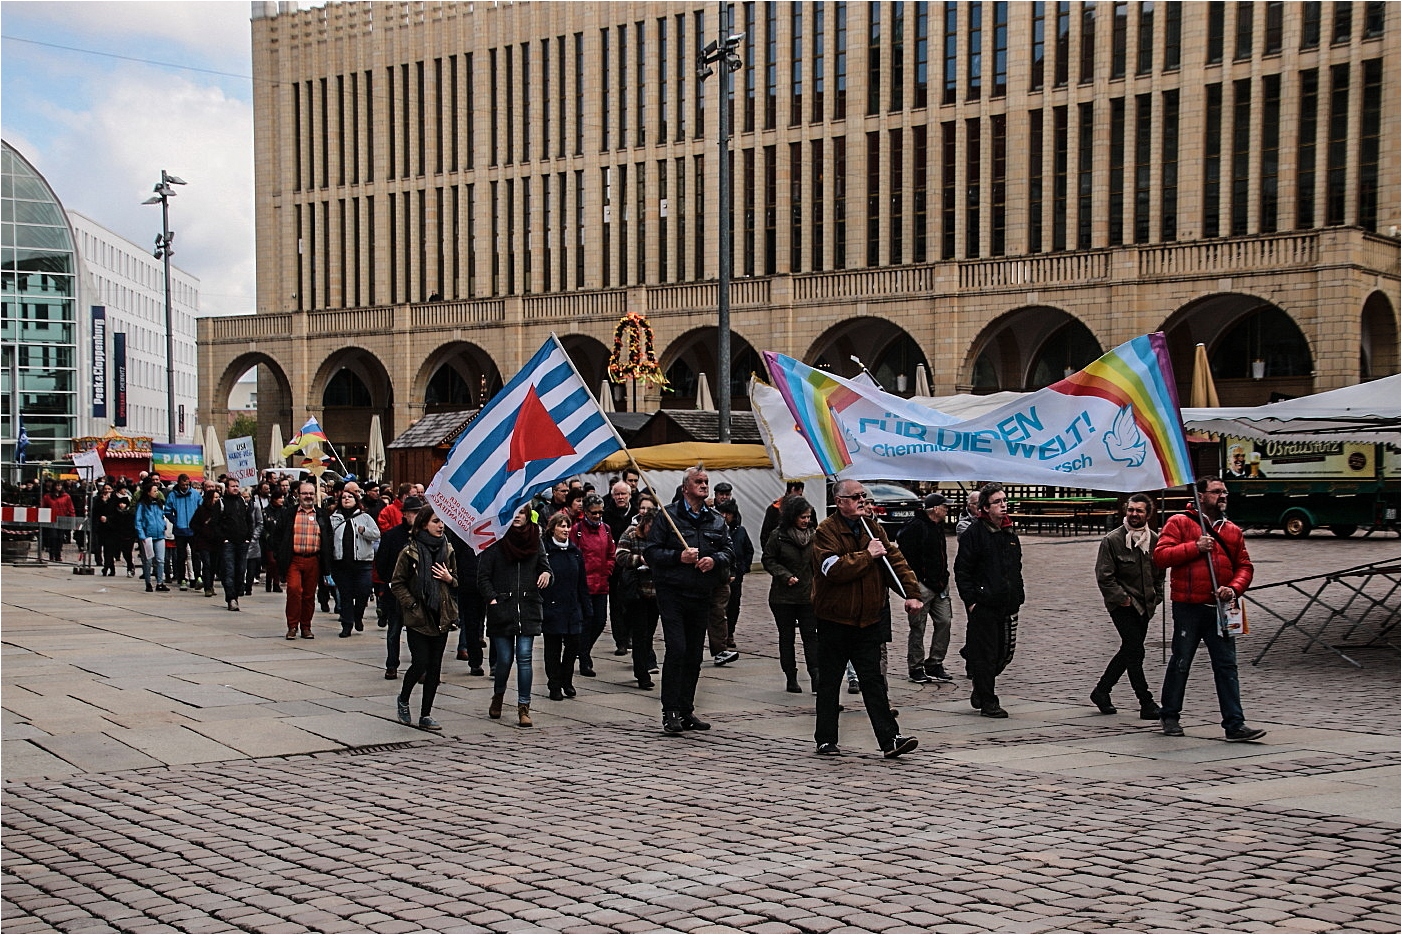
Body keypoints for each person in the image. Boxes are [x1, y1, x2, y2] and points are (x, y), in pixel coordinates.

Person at [811, 479, 921, 758]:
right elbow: (833, 569)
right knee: (830, 681)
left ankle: (890, 740)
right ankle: (825, 738)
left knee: (873, 681)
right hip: (834, 620)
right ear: (840, 502)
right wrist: (866, 555)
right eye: (856, 496)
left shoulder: (873, 528)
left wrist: (911, 593)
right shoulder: (826, 531)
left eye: (864, 496)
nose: (863, 500)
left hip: (868, 620)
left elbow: (894, 562)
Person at [1153, 477, 1266, 742]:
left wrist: (1234, 589)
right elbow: (1161, 556)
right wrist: (1195, 547)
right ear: (1200, 495)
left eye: (1225, 492)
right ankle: (1169, 715)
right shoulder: (1179, 522)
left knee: (1227, 666)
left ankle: (1234, 724)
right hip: (1188, 606)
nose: (1222, 496)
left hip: (1220, 608)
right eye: (1216, 492)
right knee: (1181, 662)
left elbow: (1245, 567)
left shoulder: (1232, 531)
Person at [645, 465, 735, 735]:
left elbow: (728, 550)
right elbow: (651, 552)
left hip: (701, 593)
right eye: (699, 481)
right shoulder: (668, 516)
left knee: (695, 653)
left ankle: (686, 709)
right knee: (678, 648)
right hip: (672, 592)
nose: (704, 486)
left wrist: (714, 560)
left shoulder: (715, 519)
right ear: (686, 487)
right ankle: (669, 709)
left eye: (706, 481)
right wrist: (678, 557)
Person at [1091, 493, 1166, 719]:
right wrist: (1122, 599)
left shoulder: (1154, 540)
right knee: (1135, 650)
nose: (1134, 514)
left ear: (1148, 514)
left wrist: (1157, 597)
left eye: (1139, 511)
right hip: (1122, 606)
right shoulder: (1113, 540)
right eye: (1131, 510)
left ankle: (1101, 691)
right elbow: (1105, 576)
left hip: (1146, 606)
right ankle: (1146, 702)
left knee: (1129, 650)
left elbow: (1160, 574)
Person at [477, 504, 551, 727]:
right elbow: (483, 577)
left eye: (521, 513)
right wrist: (493, 599)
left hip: (528, 607)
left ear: (528, 516)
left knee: (525, 657)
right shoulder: (496, 541)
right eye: (514, 513)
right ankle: (498, 695)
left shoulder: (535, 539)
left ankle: (524, 707)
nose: (517, 517)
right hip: (503, 609)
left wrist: (546, 574)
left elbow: (545, 567)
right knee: (505, 659)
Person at [954, 483, 1024, 718]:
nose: (1003, 505)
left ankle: (980, 687)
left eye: (1005, 501)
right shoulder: (974, 534)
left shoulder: (1008, 532)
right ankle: (988, 700)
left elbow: (1015, 566)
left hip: (1008, 602)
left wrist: (1018, 592)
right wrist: (972, 600)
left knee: (1005, 652)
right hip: (984, 604)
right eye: (998, 502)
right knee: (987, 654)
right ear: (985, 507)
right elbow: (962, 570)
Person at [390, 504, 458, 731]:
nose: (440, 526)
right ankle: (403, 699)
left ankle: (426, 714)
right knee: (420, 663)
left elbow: (457, 581)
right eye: (435, 521)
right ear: (423, 524)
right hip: (419, 616)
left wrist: (449, 579)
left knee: (435, 667)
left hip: (441, 614)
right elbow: (397, 583)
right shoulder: (410, 551)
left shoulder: (447, 549)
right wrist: (411, 604)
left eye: (442, 522)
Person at [762, 495, 819, 694]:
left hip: (808, 596)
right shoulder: (778, 536)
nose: (806, 521)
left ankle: (816, 677)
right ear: (792, 517)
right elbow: (768, 560)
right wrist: (784, 575)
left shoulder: (814, 535)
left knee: (811, 637)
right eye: (802, 517)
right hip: (783, 597)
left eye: (808, 517)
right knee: (787, 637)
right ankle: (791, 676)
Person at [897, 493, 956, 684]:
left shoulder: (937, 526)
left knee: (945, 622)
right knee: (918, 627)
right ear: (935, 509)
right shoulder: (916, 526)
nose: (947, 510)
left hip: (939, 584)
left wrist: (944, 576)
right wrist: (914, 580)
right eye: (945, 507)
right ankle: (916, 667)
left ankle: (935, 663)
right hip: (921, 585)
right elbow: (904, 552)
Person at [541, 510, 590, 701]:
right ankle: (554, 683)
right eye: (561, 526)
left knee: (573, 646)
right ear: (552, 528)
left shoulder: (575, 552)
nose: (565, 529)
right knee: (552, 649)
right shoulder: (546, 551)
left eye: (567, 526)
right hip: (552, 607)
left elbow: (581, 583)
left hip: (572, 607)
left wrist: (586, 608)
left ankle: (566, 680)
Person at [615, 495, 661, 690]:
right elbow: (620, 556)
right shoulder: (631, 534)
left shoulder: (660, 538)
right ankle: (641, 673)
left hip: (655, 593)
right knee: (640, 634)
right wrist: (640, 560)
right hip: (637, 593)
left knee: (649, 633)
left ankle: (645, 663)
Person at [275, 480, 329, 639]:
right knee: (293, 590)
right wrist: (280, 555)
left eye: (311, 493)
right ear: (298, 495)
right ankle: (292, 626)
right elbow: (278, 536)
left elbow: (328, 537)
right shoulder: (288, 513)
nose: (308, 496)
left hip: (313, 559)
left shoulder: (321, 514)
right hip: (294, 559)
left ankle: (306, 626)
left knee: (309, 595)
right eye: (304, 493)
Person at [570, 493, 615, 678]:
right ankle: (584, 658)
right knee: (586, 622)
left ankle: (583, 650)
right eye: (594, 513)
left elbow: (611, 553)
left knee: (600, 621)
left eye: (600, 513)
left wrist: (608, 571)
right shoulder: (577, 530)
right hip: (584, 585)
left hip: (601, 583)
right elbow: (573, 553)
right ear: (586, 512)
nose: (597, 516)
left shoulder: (606, 529)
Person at [377, 496, 422, 677]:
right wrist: (390, 582)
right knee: (394, 630)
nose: (417, 516)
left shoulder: (423, 536)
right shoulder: (392, 536)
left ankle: (419, 666)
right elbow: (381, 563)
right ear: (405, 514)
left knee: (417, 632)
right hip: (395, 592)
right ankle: (392, 664)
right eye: (414, 512)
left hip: (417, 592)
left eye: (420, 512)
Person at [327, 487, 381, 637]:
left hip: (362, 563)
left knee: (363, 591)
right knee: (345, 595)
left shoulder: (365, 517)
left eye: (349, 497)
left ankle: (358, 615)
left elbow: (376, 534)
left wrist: (365, 531)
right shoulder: (334, 518)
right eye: (343, 497)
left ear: (356, 500)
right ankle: (347, 624)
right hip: (341, 563)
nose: (346, 499)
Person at [714, 498, 752, 660]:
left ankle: (730, 633)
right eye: (722, 513)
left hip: (736, 576)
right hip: (720, 575)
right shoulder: (716, 529)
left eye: (727, 513)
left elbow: (748, 551)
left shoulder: (740, 531)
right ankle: (720, 638)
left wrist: (742, 570)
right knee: (719, 608)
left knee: (734, 606)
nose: (724, 516)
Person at [602, 480, 638, 656]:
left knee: (632, 603)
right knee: (616, 605)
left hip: (633, 565)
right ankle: (621, 641)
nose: (620, 497)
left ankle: (631, 635)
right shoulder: (606, 514)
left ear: (629, 495)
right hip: (615, 567)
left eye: (623, 494)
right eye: (617, 494)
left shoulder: (637, 513)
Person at [214, 477, 254, 612]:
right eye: (233, 486)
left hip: (242, 541)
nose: (236, 488)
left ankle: (236, 594)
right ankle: (231, 597)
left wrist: (248, 536)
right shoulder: (221, 502)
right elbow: (215, 523)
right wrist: (223, 538)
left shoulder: (242, 501)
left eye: (237, 486)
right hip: (228, 542)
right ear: (227, 488)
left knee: (241, 570)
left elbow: (249, 519)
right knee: (229, 570)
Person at [163, 474, 201, 590]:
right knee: (181, 556)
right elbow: (168, 511)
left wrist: (197, 523)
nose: (185, 487)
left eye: (187, 484)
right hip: (180, 530)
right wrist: (176, 521)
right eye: (183, 485)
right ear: (178, 484)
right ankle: (182, 578)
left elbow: (201, 508)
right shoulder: (173, 495)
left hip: (193, 529)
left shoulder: (195, 494)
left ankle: (197, 577)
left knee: (196, 555)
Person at [134, 483, 170, 592]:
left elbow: (162, 516)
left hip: (159, 534)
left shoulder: (159, 503)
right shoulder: (142, 505)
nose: (157, 492)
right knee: (148, 560)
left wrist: (163, 526)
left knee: (160, 560)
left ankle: (160, 582)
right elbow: (138, 520)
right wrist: (141, 535)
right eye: (154, 491)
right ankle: (148, 582)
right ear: (148, 492)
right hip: (147, 535)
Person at [189, 482, 221, 596]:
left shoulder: (219, 512)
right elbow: (193, 524)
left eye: (218, 497)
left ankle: (210, 585)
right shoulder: (201, 510)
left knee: (213, 565)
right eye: (215, 498)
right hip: (204, 542)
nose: (217, 500)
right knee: (206, 564)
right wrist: (204, 528)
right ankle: (207, 587)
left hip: (215, 542)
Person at [759, 479, 806, 548]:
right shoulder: (773, 510)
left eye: (800, 495)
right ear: (787, 492)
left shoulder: (807, 511)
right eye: (794, 496)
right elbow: (765, 535)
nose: (796, 500)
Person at [41, 480, 74, 562]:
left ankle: (58, 554)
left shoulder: (66, 496)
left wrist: (72, 517)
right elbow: (43, 507)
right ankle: (52, 554)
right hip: (51, 519)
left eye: (60, 485)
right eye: (57, 485)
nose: (59, 487)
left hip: (62, 519)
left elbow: (70, 507)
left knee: (60, 537)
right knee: (53, 537)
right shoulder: (47, 496)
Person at [260, 490, 286, 593]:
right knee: (272, 562)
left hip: (280, 541)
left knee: (278, 563)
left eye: (283, 498)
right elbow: (262, 526)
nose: (282, 500)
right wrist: (267, 536)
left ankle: (276, 583)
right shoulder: (265, 511)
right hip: (269, 542)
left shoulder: (284, 511)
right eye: (280, 498)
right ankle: (270, 582)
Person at [91, 483, 115, 575]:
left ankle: (108, 567)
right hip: (100, 527)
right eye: (105, 489)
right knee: (100, 547)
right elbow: (96, 512)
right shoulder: (98, 499)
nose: (107, 491)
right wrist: (103, 502)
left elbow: (114, 513)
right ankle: (105, 565)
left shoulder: (114, 500)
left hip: (111, 527)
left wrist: (108, 519)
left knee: (109, 549)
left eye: (109, 489)